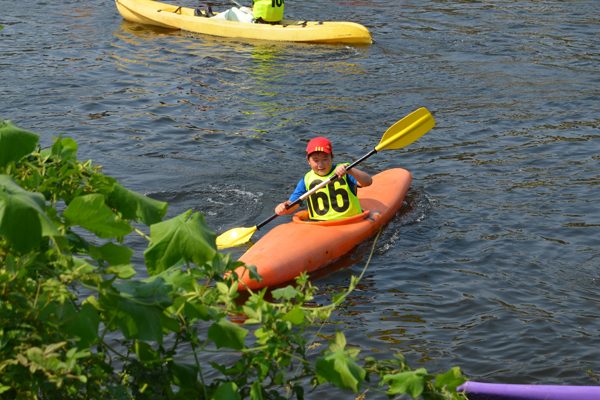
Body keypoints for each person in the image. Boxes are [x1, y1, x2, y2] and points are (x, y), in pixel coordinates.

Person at [275, 137, 372, 221]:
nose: (320, 165)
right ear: (308, 160)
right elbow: (292, 206)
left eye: (325, 159)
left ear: (332, 157)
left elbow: (368, 182)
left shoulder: (345, 170)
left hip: (351, 220)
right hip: (320, 226)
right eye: (315, 160)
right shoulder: (306, 180)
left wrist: (350, 171)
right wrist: (283, 207)